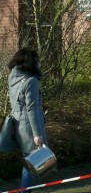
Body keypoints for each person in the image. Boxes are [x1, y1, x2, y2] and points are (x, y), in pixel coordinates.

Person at [7, 48, 48, 191]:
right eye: (37, 61)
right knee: (31, 164)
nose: (39, 64)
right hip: (29, 128)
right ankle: (25, 191)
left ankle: (26, 190)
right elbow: (32, 109)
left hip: (19, 126)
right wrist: (37, 134)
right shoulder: (31, 81)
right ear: (31, 62)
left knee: (30, 162)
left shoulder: (14, 78)